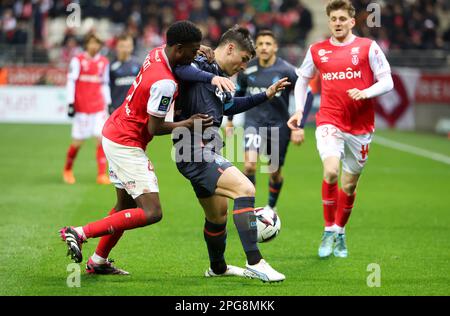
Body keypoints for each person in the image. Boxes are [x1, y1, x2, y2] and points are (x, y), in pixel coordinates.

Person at [59, 21, 221, 275]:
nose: (194, 58)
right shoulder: (165, 83)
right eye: (192, 51)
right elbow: (155, 129)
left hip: (115, 130)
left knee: (124, 206)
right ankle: (79, 233)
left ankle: (98, 261)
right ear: (178, 49)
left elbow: (176, 49)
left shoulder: (156, 54)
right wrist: (188, 124)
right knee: (152, 211)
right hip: (126, 142)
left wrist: (201, 48)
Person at [173, 25, 290, 282]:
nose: (244, 66)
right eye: (245, 59)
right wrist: (209, 76)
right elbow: (179, 68)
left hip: (204, 148)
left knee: (217, 216)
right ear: (229, 48)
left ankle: (217, 268)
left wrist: (264, 95)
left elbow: (229, 107)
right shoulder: (201, 62)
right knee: (245, 189)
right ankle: (256, 262)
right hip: (192, 148)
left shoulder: (220, 77)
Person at [287, 0, 394, 258]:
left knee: (348, 185)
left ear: (351, 21)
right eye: (333, 19)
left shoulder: (368, 47)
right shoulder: (317, 50)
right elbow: (302, 81)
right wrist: (300, 110)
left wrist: (366, 92)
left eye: (342, 19)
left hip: (360, 126)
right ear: (329, 21)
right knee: (332, 171)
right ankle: (327, 229)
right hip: (329, 119)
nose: (337, 23)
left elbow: (387, 80)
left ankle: (340, 230)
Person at [226, 30, 314, 213]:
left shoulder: (287, 71)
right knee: (249, 165)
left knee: (274, 172)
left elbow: (308, 93)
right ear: (255, 47)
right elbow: (238, 95)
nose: (264, 47)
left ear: (275, 47)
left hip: (278, 127)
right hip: (253, 123)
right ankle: (248, 211)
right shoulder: (247, 69)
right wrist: (229, 121)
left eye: (268, 44)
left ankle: (271, 208)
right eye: (260, 44)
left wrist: (300, 125)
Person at [63, 33, 112, 185]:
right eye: (91, 43)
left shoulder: (104, 62)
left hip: (98, 107)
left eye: (97, 43)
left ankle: (101, 174)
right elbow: (71, 81)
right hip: (82, 108)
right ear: (86, 44)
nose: (94, 46)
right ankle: (67, 169)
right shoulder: (78, 60)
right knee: (78, 142)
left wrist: (108, 102)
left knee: (101, 139)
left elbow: (104, 83)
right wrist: (70, 103)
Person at [108, 34, 141, 114]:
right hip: (116, 109)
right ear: (117, 47)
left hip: (134, 109)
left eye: (128, 46)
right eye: (122, 46)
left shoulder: (138, 65)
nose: (125, 49)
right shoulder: (111, 66)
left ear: (132, 47)